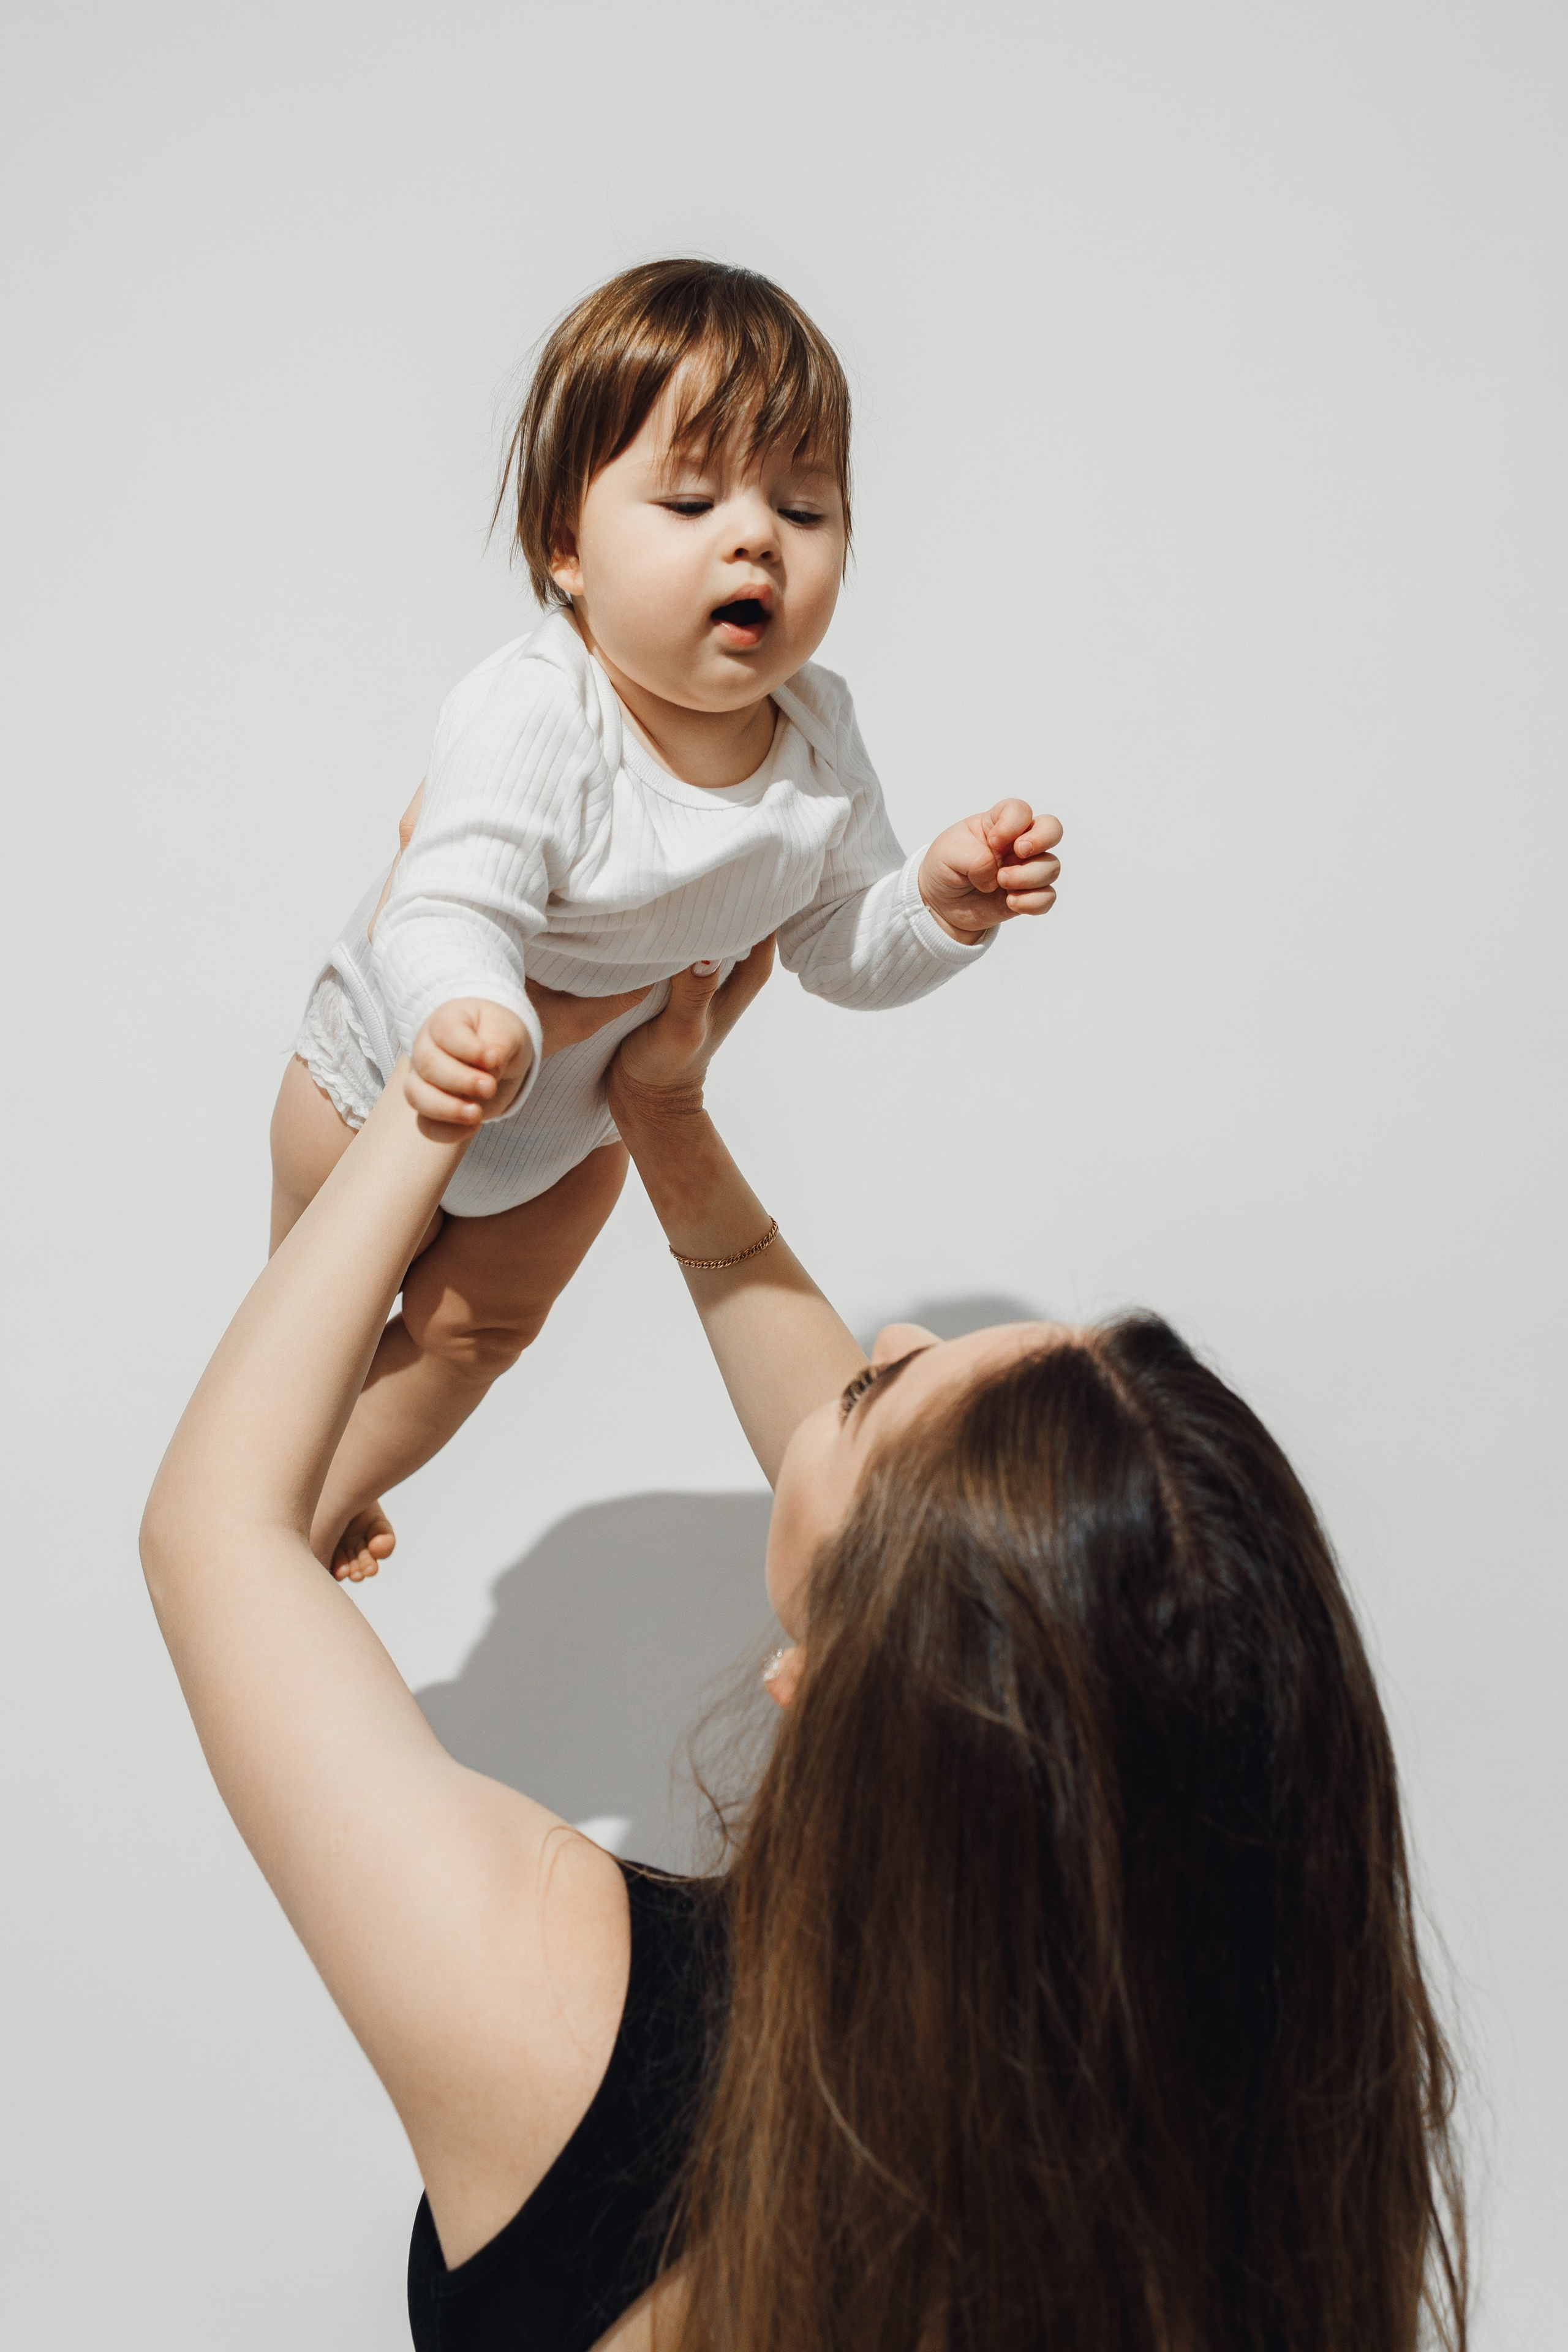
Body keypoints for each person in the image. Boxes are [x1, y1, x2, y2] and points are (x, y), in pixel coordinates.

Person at [143, 950, 1466, 2352]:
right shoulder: (1257, 2148)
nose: (885, 1328)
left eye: (869, 1383)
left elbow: (217, 1529)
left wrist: (437, 1086)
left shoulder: (574, 2025)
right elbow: (927, 1581)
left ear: (823, 1688)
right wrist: (668, 1127)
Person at [270, 256, 1063, 1582]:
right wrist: (469, 1010)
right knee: (315, 1326)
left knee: (477, 1340)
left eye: (801, 507)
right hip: (384, 1083)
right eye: (691, 500)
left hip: (571, 1130)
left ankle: (316, 1506)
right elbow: (444, 897)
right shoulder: (542, 710)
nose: (753, 536)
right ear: (564, 551)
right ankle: (284, 1467)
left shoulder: (816, 742)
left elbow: (834, 949)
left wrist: (933, 905)